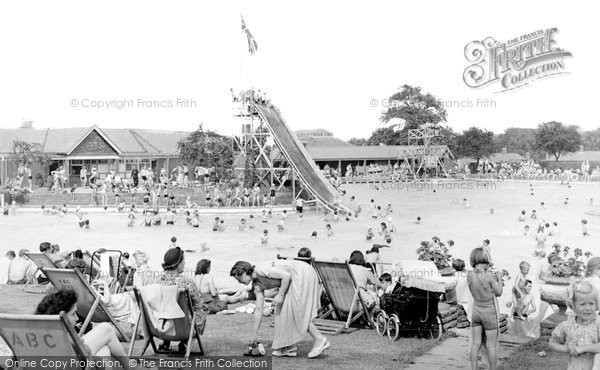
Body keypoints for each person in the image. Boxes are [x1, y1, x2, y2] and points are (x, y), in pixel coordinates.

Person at [229, 260, 330, 358]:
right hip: (293, 279)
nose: (239, 282)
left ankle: (320, 339)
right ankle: (288, 347)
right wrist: (254, 335)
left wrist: (280, 294)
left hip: (301, 273)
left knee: (296, 310)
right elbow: (259, 310)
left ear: (245, 272)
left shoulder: (260, 270)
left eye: (239, 278)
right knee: (281, 310)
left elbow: (286, 276)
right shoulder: (256, 286)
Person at [34, 289, 133, 370]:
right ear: (60, 315)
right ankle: (131, 367)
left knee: (104, 349)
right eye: (73, 314)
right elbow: (89, 356)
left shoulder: (37, 336)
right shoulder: (66, 342)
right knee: (106, 328)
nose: (77, 319)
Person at [151, 247, 206, 352]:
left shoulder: (154, 282)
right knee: (199, 313)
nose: (185, 263)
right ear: (178, 263)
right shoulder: (186, 282)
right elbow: (199, 303)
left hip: (159, 326)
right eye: (183, 261)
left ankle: (165, 343)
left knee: (166, 311)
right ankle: (185, 343)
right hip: (182, 328)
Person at [549, 281, 600, 370]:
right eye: (582, 304)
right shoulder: (567, 325)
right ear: (573, 306)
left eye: (591, 303)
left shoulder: (598, 323)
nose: (588, 308)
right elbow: (552, 343)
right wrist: (567, 348)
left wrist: (582, 348)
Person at [467, 247, 503, 370]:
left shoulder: (469, 274)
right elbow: (498, 292)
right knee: (491, 346)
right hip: (489, 311)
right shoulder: (489, 275)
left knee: (475, 343)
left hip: (476, 310)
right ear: (485, 260)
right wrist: (500, 278)